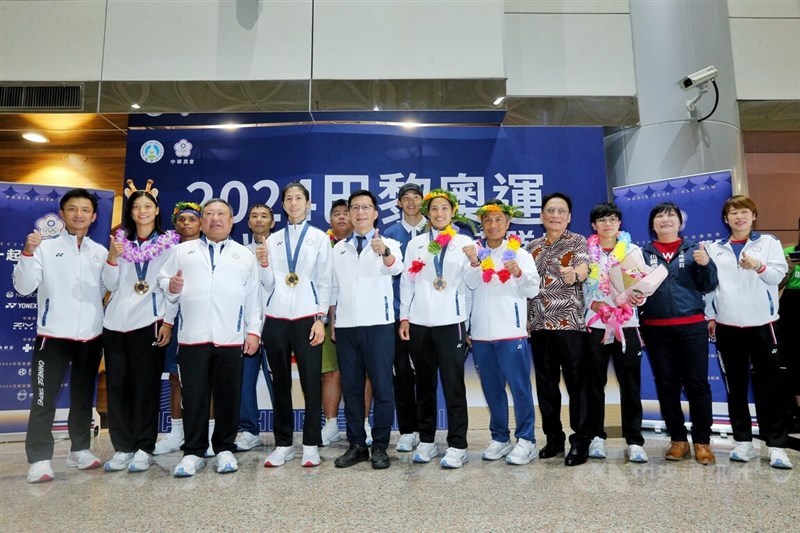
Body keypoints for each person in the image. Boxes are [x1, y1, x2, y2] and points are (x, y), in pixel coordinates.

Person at [159, 198, 262, 477]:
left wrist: (253, 332)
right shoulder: (182, 251)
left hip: (231, 338)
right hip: (192, 339)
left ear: (231, 221)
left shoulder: (244, 255)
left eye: (222, 214)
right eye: (210, 214)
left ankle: (225, 449)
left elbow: (254, 298)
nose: (215, 219)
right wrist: (170, 285)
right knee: (193, 397)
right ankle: (193, 452)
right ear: (202, 221)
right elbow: (162, 279)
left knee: (228, 396)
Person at [13, 188, 107, 483]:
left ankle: (80, 450)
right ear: (63, 213)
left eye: (85, 210)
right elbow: (24, 287)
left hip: (90, 338)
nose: (79, 215)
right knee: (43, 399)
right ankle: (39, 460)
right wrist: (27, 253)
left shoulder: (100, 252)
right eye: (72, 209)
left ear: (93, 217)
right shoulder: (42, 247)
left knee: (82, 398)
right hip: (51, 337)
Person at [705, 195, 792, 469]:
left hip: (763, 325)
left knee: (770, 385)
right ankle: (743, 441)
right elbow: (711, 286)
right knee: (736, 386)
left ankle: (777, 445)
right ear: (725, 219)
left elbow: (778, 275)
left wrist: (759, 265)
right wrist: (710, 315)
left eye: (744, 212)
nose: (738, 217)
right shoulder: (715, 248)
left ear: (753, 216)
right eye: (733, 213)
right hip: (728, 326)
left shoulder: (768, 243)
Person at [399, 189, 481, 469]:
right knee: (424, 385)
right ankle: (427, 440)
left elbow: (472, 283)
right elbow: (407, 283)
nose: (439, 213)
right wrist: (404, 318)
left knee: (454, 385)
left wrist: (474, 261)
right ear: (427, 212)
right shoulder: (417, 244)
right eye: (434, 209)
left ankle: (458, 445)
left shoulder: (465, 242)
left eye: (444, 208)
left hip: (451, 324)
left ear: (453, 212)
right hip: (420, 324)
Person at [102, 180, 179, 473]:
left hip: (148, 323)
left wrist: (168, 323)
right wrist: (112, 255)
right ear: (131, 212)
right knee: (118, 386)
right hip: (114, 325)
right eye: (137, 207)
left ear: (157, 210)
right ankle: (122, 448)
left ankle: (144, 447)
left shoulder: (169, 244)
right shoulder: (120, 241)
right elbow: (108, 284)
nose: (142, 211)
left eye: (148, 206)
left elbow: (173, 289)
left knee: (145, 388)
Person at [639, 202, 718, 465]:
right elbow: (634, 290)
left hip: (692, 326)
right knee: (667, 385)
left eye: (670, 215)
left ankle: (702, 442)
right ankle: (678, 440)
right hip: (656, 329)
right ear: (652, 224)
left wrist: (706, 265)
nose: (665, 220)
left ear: (679, 222)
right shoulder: (642, 254)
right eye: (659, 216)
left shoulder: (695, 249)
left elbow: (709, 285)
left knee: (697, 384)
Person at [259, 182, 332, 468]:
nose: (293, 203)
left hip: (307, 319)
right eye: (288, 199)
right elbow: (267, 285)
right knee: (280, 384)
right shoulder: (273, 240)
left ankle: (311, 444)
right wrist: (263, 265)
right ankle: (284, 443)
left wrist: (320, 318)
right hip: (276, 319)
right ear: (283, 205)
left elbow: (325, 281)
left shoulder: (319, 238)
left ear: (308, 203)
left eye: (298, 198)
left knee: (311, 382)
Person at [330, 190, 403, 469]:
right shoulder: (339, 248)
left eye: (366, 207)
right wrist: (334, 322)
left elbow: (397, 269)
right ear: (348, 214)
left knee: (383, 388)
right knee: (351, 389)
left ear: (375, 213)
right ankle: (357, 444)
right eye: (355, 208)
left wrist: (383, 252)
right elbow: (334, 289)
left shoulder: (390, 243)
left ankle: (381, 446)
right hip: (347, 328)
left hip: (379, 326)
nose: (360, 212)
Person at [470, 199, 540, 465]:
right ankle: (500, 438)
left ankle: (526, 440)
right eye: (487, 220)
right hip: (481, 336)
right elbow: (468, 285)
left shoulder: (520, 254)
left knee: (520, 388)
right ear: (482, 225)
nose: (493, 225)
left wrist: (520, 273)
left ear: (508, 223)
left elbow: (532, 290)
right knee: (492, 389)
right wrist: (475, 263)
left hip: (511, 333)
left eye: (498, 219)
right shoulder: (475, 254)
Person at [526, 192, 591, 466]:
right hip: (540, 326)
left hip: (570, 325)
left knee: (577, 385)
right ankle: (554, 439)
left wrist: (575, 274)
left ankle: (581, 442)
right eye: (550, 211)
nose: (555, 215)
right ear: (542, 216)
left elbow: (586, 268)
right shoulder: (531, 247)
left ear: (569, 217)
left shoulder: (577, 241)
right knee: (546, 387)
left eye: (560, 211)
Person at [583, 202, 648, 463]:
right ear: (593, 225)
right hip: (595, 324)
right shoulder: (586, 252)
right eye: (601, 220)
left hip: (626, 325)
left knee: (630, 384)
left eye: (612, 219)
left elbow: (641, 284)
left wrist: (635, 298)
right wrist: (593, 303)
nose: (607, 224)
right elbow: (581, 287)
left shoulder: (632, 250)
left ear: (619, 224)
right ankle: (596, 437)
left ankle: (634, 440)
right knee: (593, 384)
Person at [153, 201, 203, 455]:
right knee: (175, 378)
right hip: (175, 320)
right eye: (181, 220)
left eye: (192, 219)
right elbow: (160, 280)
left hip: (205, 322)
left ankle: (208, 432)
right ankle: (176, 431)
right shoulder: (167, 251)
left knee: (208, 379)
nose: (187, 224)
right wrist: (167, 322)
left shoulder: (211, 249)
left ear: (201, 223)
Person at [383, 182, 427, 452]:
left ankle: (426, 429)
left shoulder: (436, 231)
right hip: (397, 316)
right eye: (405, 198)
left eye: (416, 197)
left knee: (425, 374)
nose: (411, 202)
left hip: (428, 315)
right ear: (398, 203)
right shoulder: (389, 234)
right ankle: (408, 430)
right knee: (401, 375)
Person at [234, 203, 276, 452]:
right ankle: (249, 430)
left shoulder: (281, 251)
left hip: (274, 326)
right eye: (254, 216)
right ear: (248, 223)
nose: (259, 220)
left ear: (272, 221)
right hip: (246, 328)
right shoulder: (239, 254)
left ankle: (283, 431)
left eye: (264, 216)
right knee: (244, 381)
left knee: (277, 380)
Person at [319, 200, 350, 447]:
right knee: (331, 371)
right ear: (330, 220)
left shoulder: (366, 244)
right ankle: (330, 424)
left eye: (345, 213)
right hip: (328, 319)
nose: (341, 217)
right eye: (336, 214)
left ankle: (361, 423)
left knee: (364, 373)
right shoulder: (322, 245)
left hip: (362, 319)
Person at [778, 217, 800, 432]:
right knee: (791, 361)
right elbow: (777, 284)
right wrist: (788, 269)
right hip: (792, 308)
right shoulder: (788, 252)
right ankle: (794, 413)